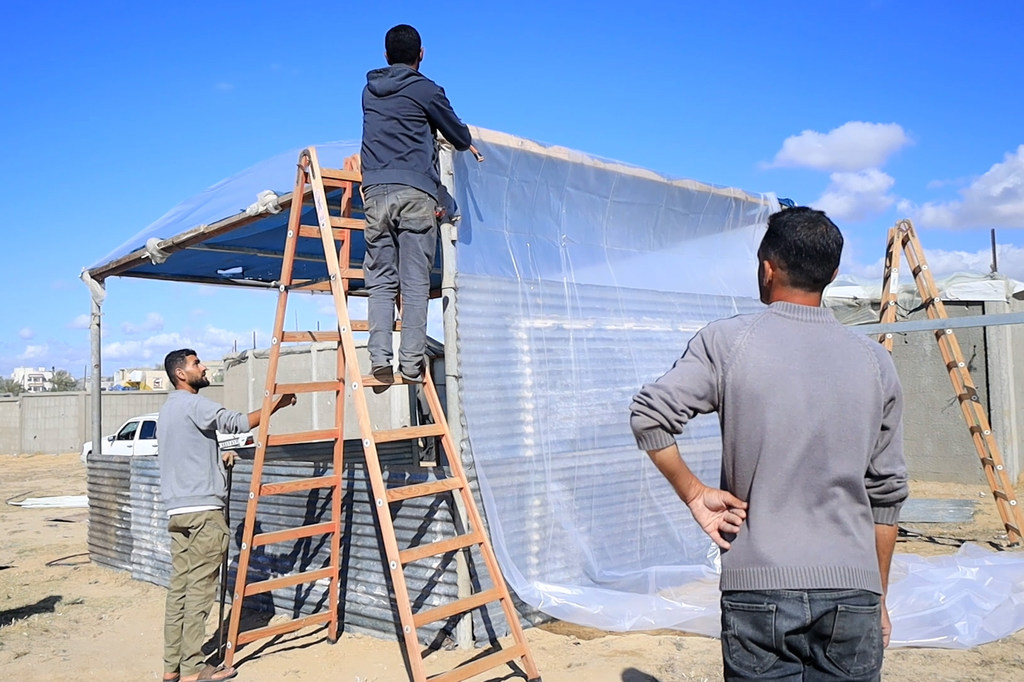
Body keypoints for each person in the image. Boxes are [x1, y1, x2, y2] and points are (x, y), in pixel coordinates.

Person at [629, 207, 908, 681]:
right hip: (852, 590)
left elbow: (650, 417)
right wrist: (877, 598)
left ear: (767, 267)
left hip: (757, 588)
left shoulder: (727, 342)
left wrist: (695, 495)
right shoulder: (875, 362)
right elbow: (886, 495)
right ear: (833, 274)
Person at [157, 349, 296, 682]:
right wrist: (275, 405)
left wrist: (218, 459)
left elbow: (187, 453)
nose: (203, 367)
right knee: (201, 592)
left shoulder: (168, 411)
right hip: (204, 514)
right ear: (180, 373)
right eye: (196, 364)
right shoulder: (193, 403)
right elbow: (236, 422)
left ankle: (171, 667)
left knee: (179, 590)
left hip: (178, 513)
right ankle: (193, 669)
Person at [360, 23, 472, 386]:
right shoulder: (426, 90)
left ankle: (379, 357)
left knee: (380, 280)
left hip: (375, 192)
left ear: (385, 56)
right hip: (415, 193)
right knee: (414, 282)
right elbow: (459, 136)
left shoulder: (369, 91)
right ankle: (410, 364)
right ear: (421, 54)